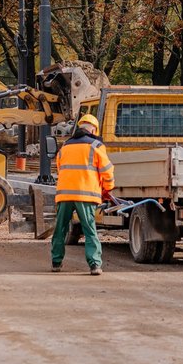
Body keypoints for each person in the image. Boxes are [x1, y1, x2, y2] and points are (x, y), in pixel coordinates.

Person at [50, 113, 114, 276]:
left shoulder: (65, 146)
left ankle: (56, 262)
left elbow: (59, 168)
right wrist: (108, 189)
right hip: (86, 195)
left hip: (64, 195)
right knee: (89, 229)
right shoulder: (96, 146)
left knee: (60, 229)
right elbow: (107, 171)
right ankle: (94, 265)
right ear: (93, 129)